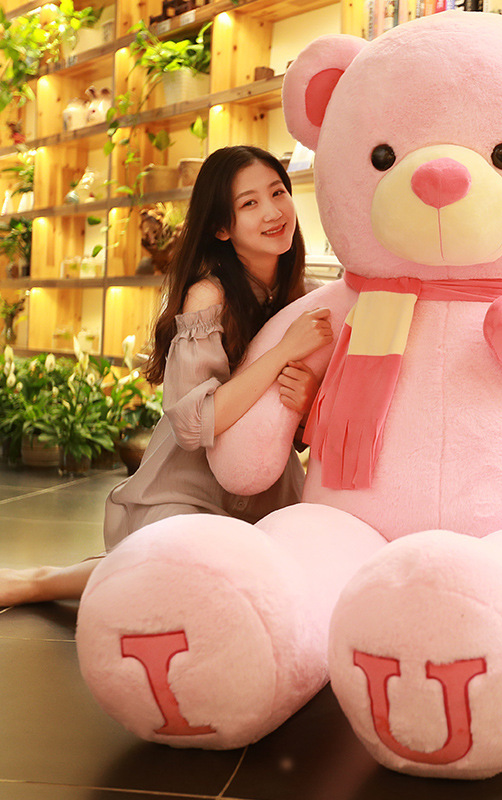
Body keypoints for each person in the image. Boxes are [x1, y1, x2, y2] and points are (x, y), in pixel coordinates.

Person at [0, 145, 333, 606]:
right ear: (221, 227)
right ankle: (42, 582)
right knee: (181, 571)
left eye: (278, 192)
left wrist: (309, 402)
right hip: (191, 486)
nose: (273, 212)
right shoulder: (208, 297)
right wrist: (282, 354)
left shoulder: (311, 298)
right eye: (249, 203)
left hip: (269, 490)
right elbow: (198, 424)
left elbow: (313, 428)